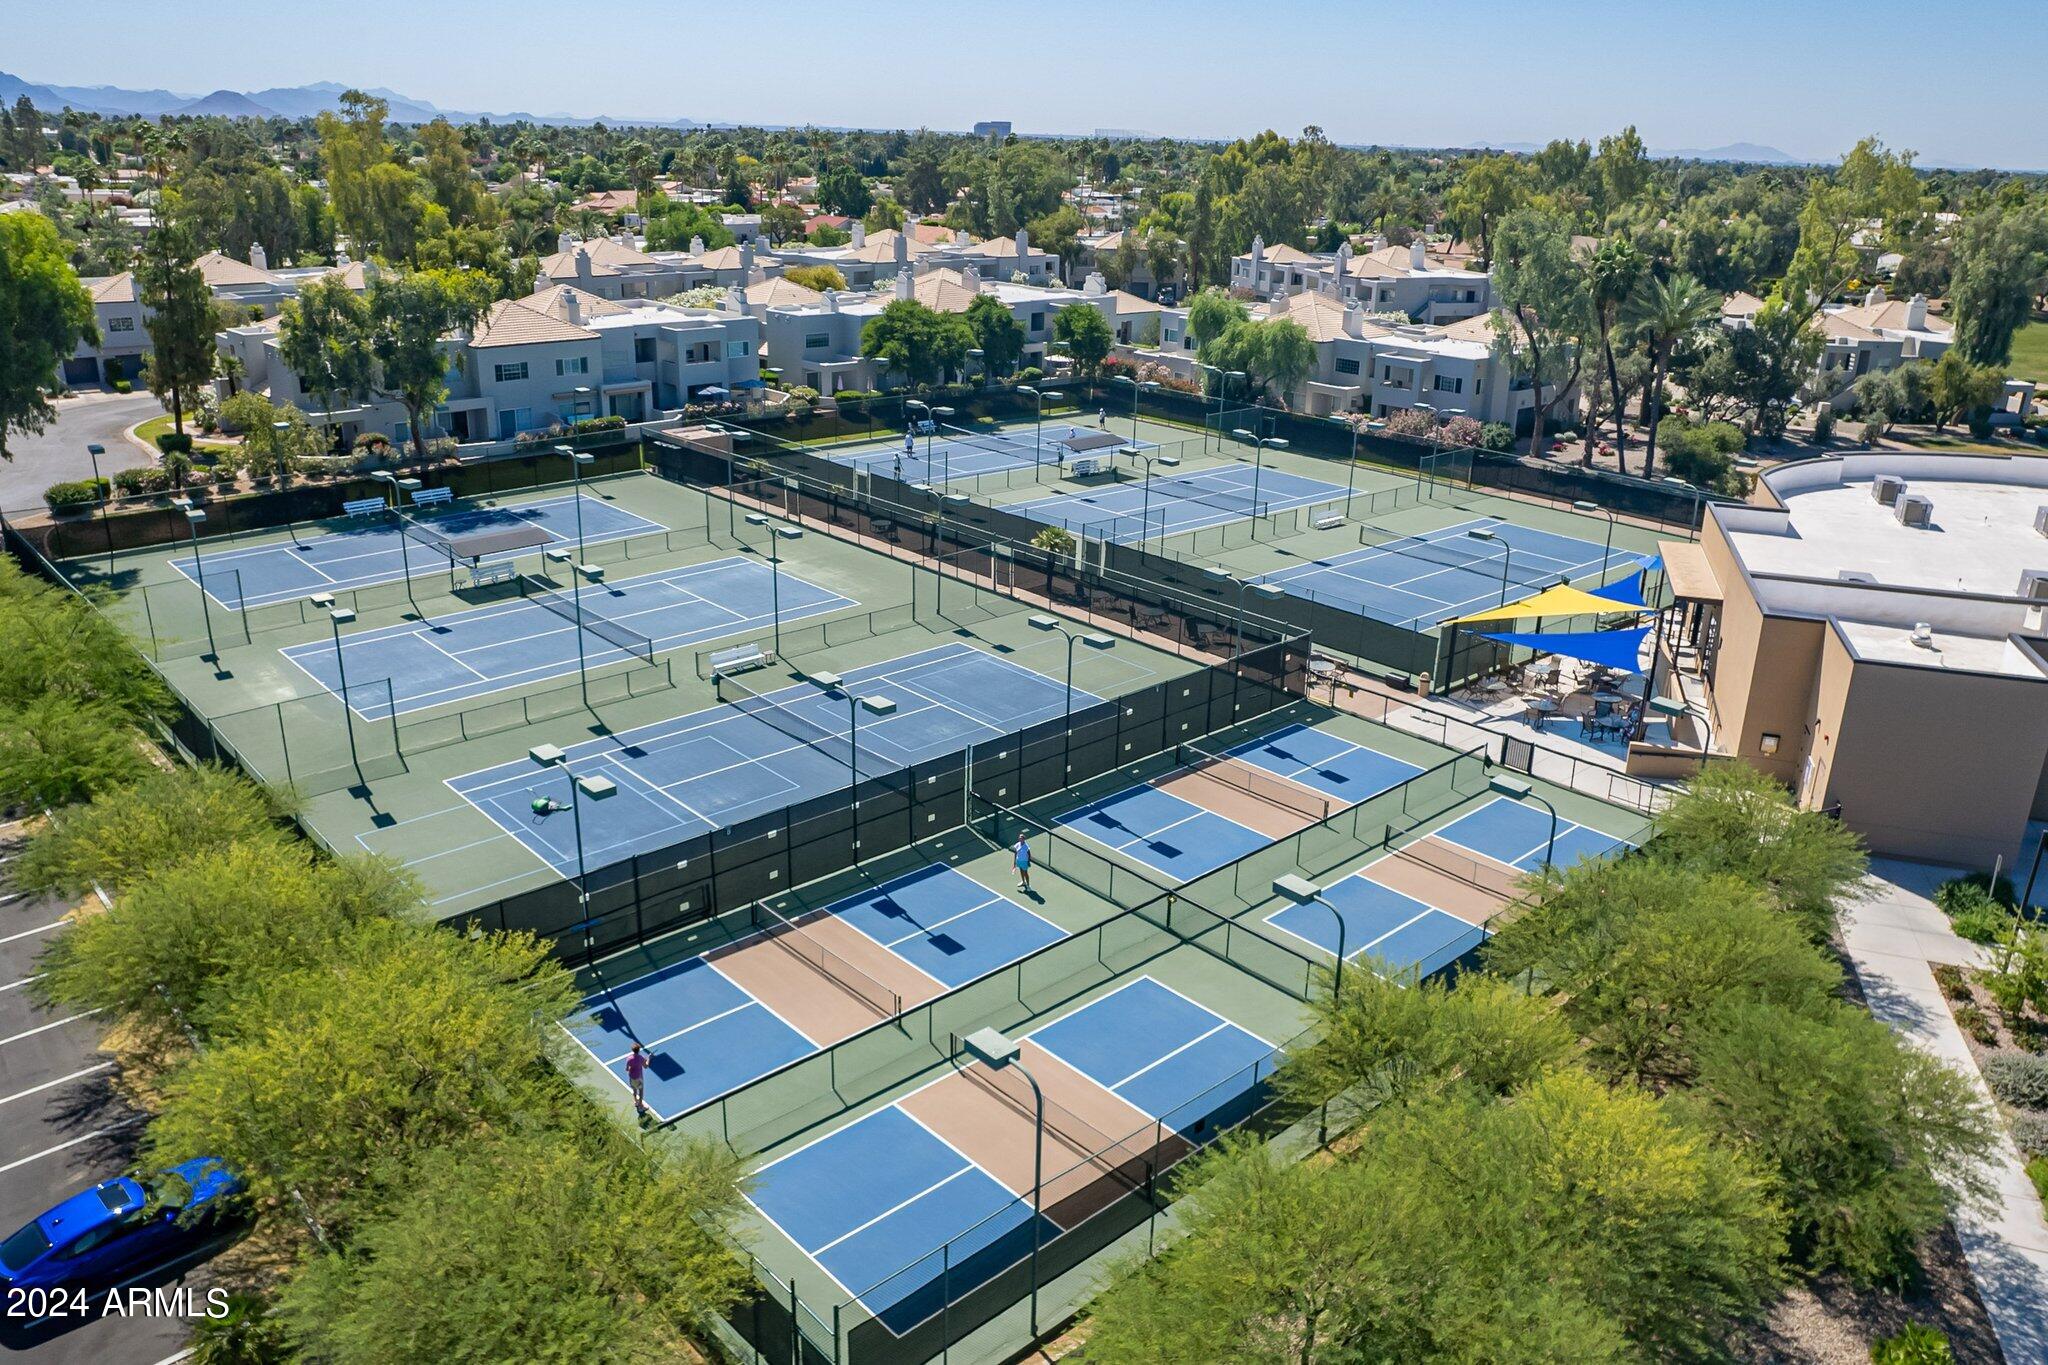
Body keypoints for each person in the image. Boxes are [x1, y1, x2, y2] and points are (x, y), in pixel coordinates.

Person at [625, 1042, 648, 1116]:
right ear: (639, 1050)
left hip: (631, 1077)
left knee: (634, 1089)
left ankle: (636, 1101)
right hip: (639, 1078)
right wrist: (648, 1059)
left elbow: (627, 1069)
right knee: (641, 1091)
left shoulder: (629, 1058)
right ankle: (640, 1106)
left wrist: (632, 1067)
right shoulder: (641, 1058)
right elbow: (646, 1066)